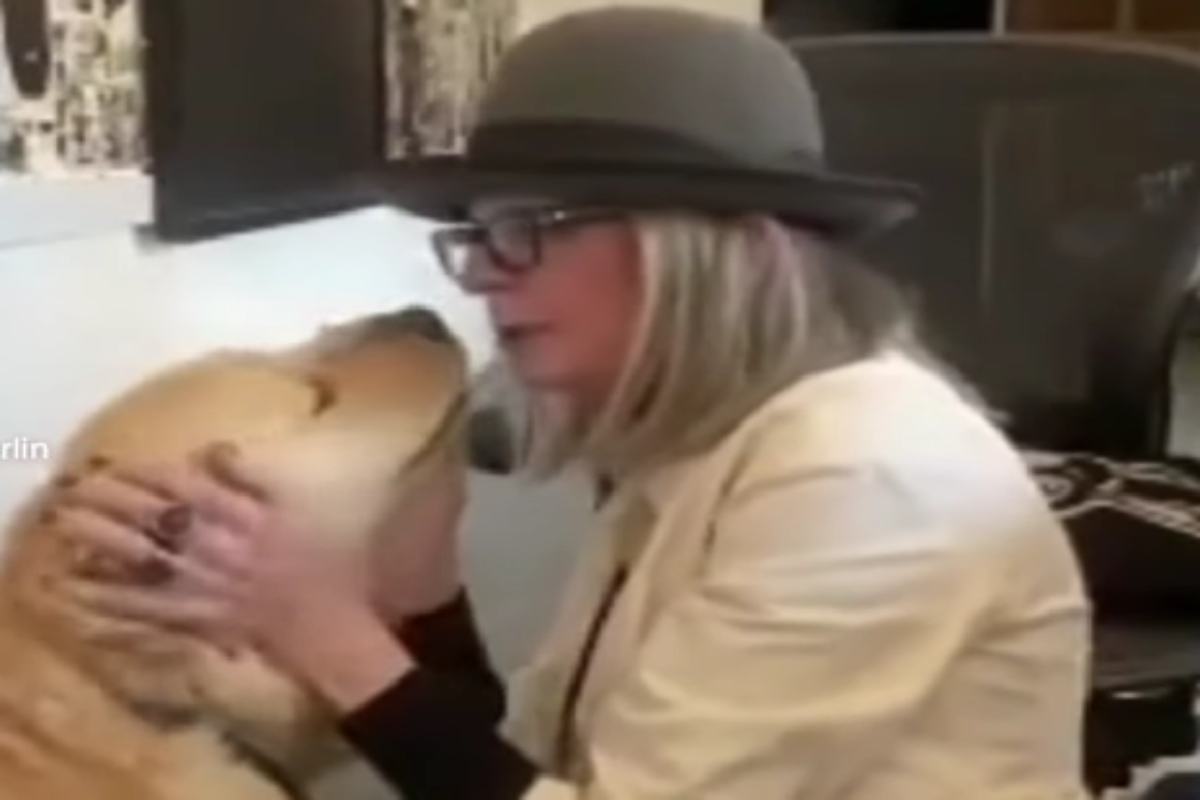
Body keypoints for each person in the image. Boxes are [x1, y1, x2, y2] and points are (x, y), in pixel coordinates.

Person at [46, 7, 1091, 799]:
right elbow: (539, 768)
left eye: (530, 227)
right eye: (478, 233)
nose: (484, 275)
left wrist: (322, 627)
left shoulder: (867, 478)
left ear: (713, 252)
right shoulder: (694, 444)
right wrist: (425, 584)